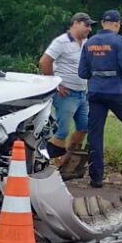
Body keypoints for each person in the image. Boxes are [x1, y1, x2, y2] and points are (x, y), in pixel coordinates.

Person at [77, 9, 122, 188]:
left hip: (95, 92)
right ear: (117, 25)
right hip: (116, 91)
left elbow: (83, 72)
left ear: (102, 23)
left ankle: (96, 177)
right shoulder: (119, 41)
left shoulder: (89, 43)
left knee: (95, 133)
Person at [39, 12, 92, 165]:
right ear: (75, 23)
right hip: (66, 93)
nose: (89, 29)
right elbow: (44, 61)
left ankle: (69, 159)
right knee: (62, 131)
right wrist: (55, 84)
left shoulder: (87, 43)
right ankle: (49, 163)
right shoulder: (61, 42)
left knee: (84, 126)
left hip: (82, 93)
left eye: (90, 26)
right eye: (86, 25)